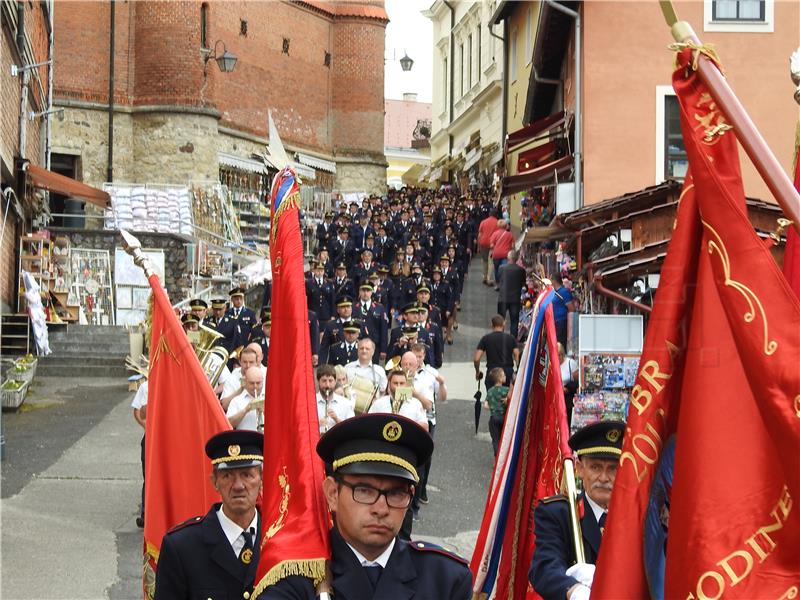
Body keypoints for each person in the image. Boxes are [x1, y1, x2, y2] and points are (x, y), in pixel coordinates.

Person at [256, 413, 473, 600]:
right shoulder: (295, 581)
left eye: (396, 493)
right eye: (364, 491)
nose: (381, 509)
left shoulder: (444, 578)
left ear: (411, 497)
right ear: (332, 493)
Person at [154, 429, 264, 600]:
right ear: (215, 482)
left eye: (247, 475)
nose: (238, 486)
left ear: (262, 479)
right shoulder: (181, 547)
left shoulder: (280, 539)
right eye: (227, 476)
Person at [528, 421, 624, 600]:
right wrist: (573, 589)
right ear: (580, 469)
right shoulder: (558, 513)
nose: (603, 478)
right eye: (595, 467)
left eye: (612, 469)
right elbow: (544, 567)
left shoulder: (638, 518)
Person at [474, 315, 520, 388]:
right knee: (508, 397)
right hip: (508, 372)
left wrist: (477, 372)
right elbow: (517, 355)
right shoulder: (511, 338)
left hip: (493, 372)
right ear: (503, 324)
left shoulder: (486, 339)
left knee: (493, 396)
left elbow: (476, 359)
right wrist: (518, 371)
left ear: (492, 325)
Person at [316, 364, 355, 433]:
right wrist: (316, 425)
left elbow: (352, 429)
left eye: (330, 381)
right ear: (318, 381)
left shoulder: (346, 403)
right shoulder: (311, 403)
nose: (327, 385)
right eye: (324, 381)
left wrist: (336, 419)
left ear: (335, 381)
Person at [496, 250, 526, 339]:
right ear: (516, 259)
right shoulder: (521, 270)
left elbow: (498, 279)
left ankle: (499, 338)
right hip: (515, 299)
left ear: (508, 258)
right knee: (514, 321)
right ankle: (513, 341)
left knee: (500, 320)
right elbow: (523, 283)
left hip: (503, 298)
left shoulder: (501, 268)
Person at [131, 378, 148, 528]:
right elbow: (138, 412)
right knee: (148, 476)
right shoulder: (146, 386)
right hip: (150, 438)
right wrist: (145, 426)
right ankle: (146, 514)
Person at [226, 366, 264, 431]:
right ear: (245, 382)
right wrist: (246, 409)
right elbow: (228, 424)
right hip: (245, 440)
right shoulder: (236, 401)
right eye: (251, 383)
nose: (255, 386)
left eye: (258, 383)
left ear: (262, 381)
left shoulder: (270, 399)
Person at [484, 368, 509, 456]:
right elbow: (510, 400)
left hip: (494, 418)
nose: (505, 376)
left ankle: (496, 459)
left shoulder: (490, 391)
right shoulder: (506, 390)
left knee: (495, 440)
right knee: (504, 439)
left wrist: (492, 407)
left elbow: (485, 405)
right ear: (499, 379)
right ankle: (504, 458)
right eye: (503, 375)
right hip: (504, 418)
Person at [551, 273, 576, 349]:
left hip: (561, 322)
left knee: (560, 344)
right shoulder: (554, 292)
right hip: (555, 322)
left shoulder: (564, 292)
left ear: (554, 281)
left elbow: (571, 309)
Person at [558, 342, 579, 427]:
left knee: (567, 421)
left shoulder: (570, 363)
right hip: (557, 398)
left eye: (559, 354)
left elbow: (578, 381)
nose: (558, 357)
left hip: (568, 398)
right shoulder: (551, 364)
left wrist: (567, 388)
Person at [489, 219, 513, 288]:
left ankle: (497, 284)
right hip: (506, 254)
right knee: (504, 270)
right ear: (506, 226)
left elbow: (491, 245)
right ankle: (503, 284)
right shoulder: (509, 234)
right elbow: (513, 245)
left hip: (496, 254)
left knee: (496, 269)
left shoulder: (495, 234)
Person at [478, 209, 499, 286]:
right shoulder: (497, 222)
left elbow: (480, 234)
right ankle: (489, 279)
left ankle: (484, 276)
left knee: (484, 260)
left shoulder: (483, 222)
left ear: (489, 214)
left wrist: (478, 245)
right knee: (491, 261)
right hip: (492, 244)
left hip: (483, 243)